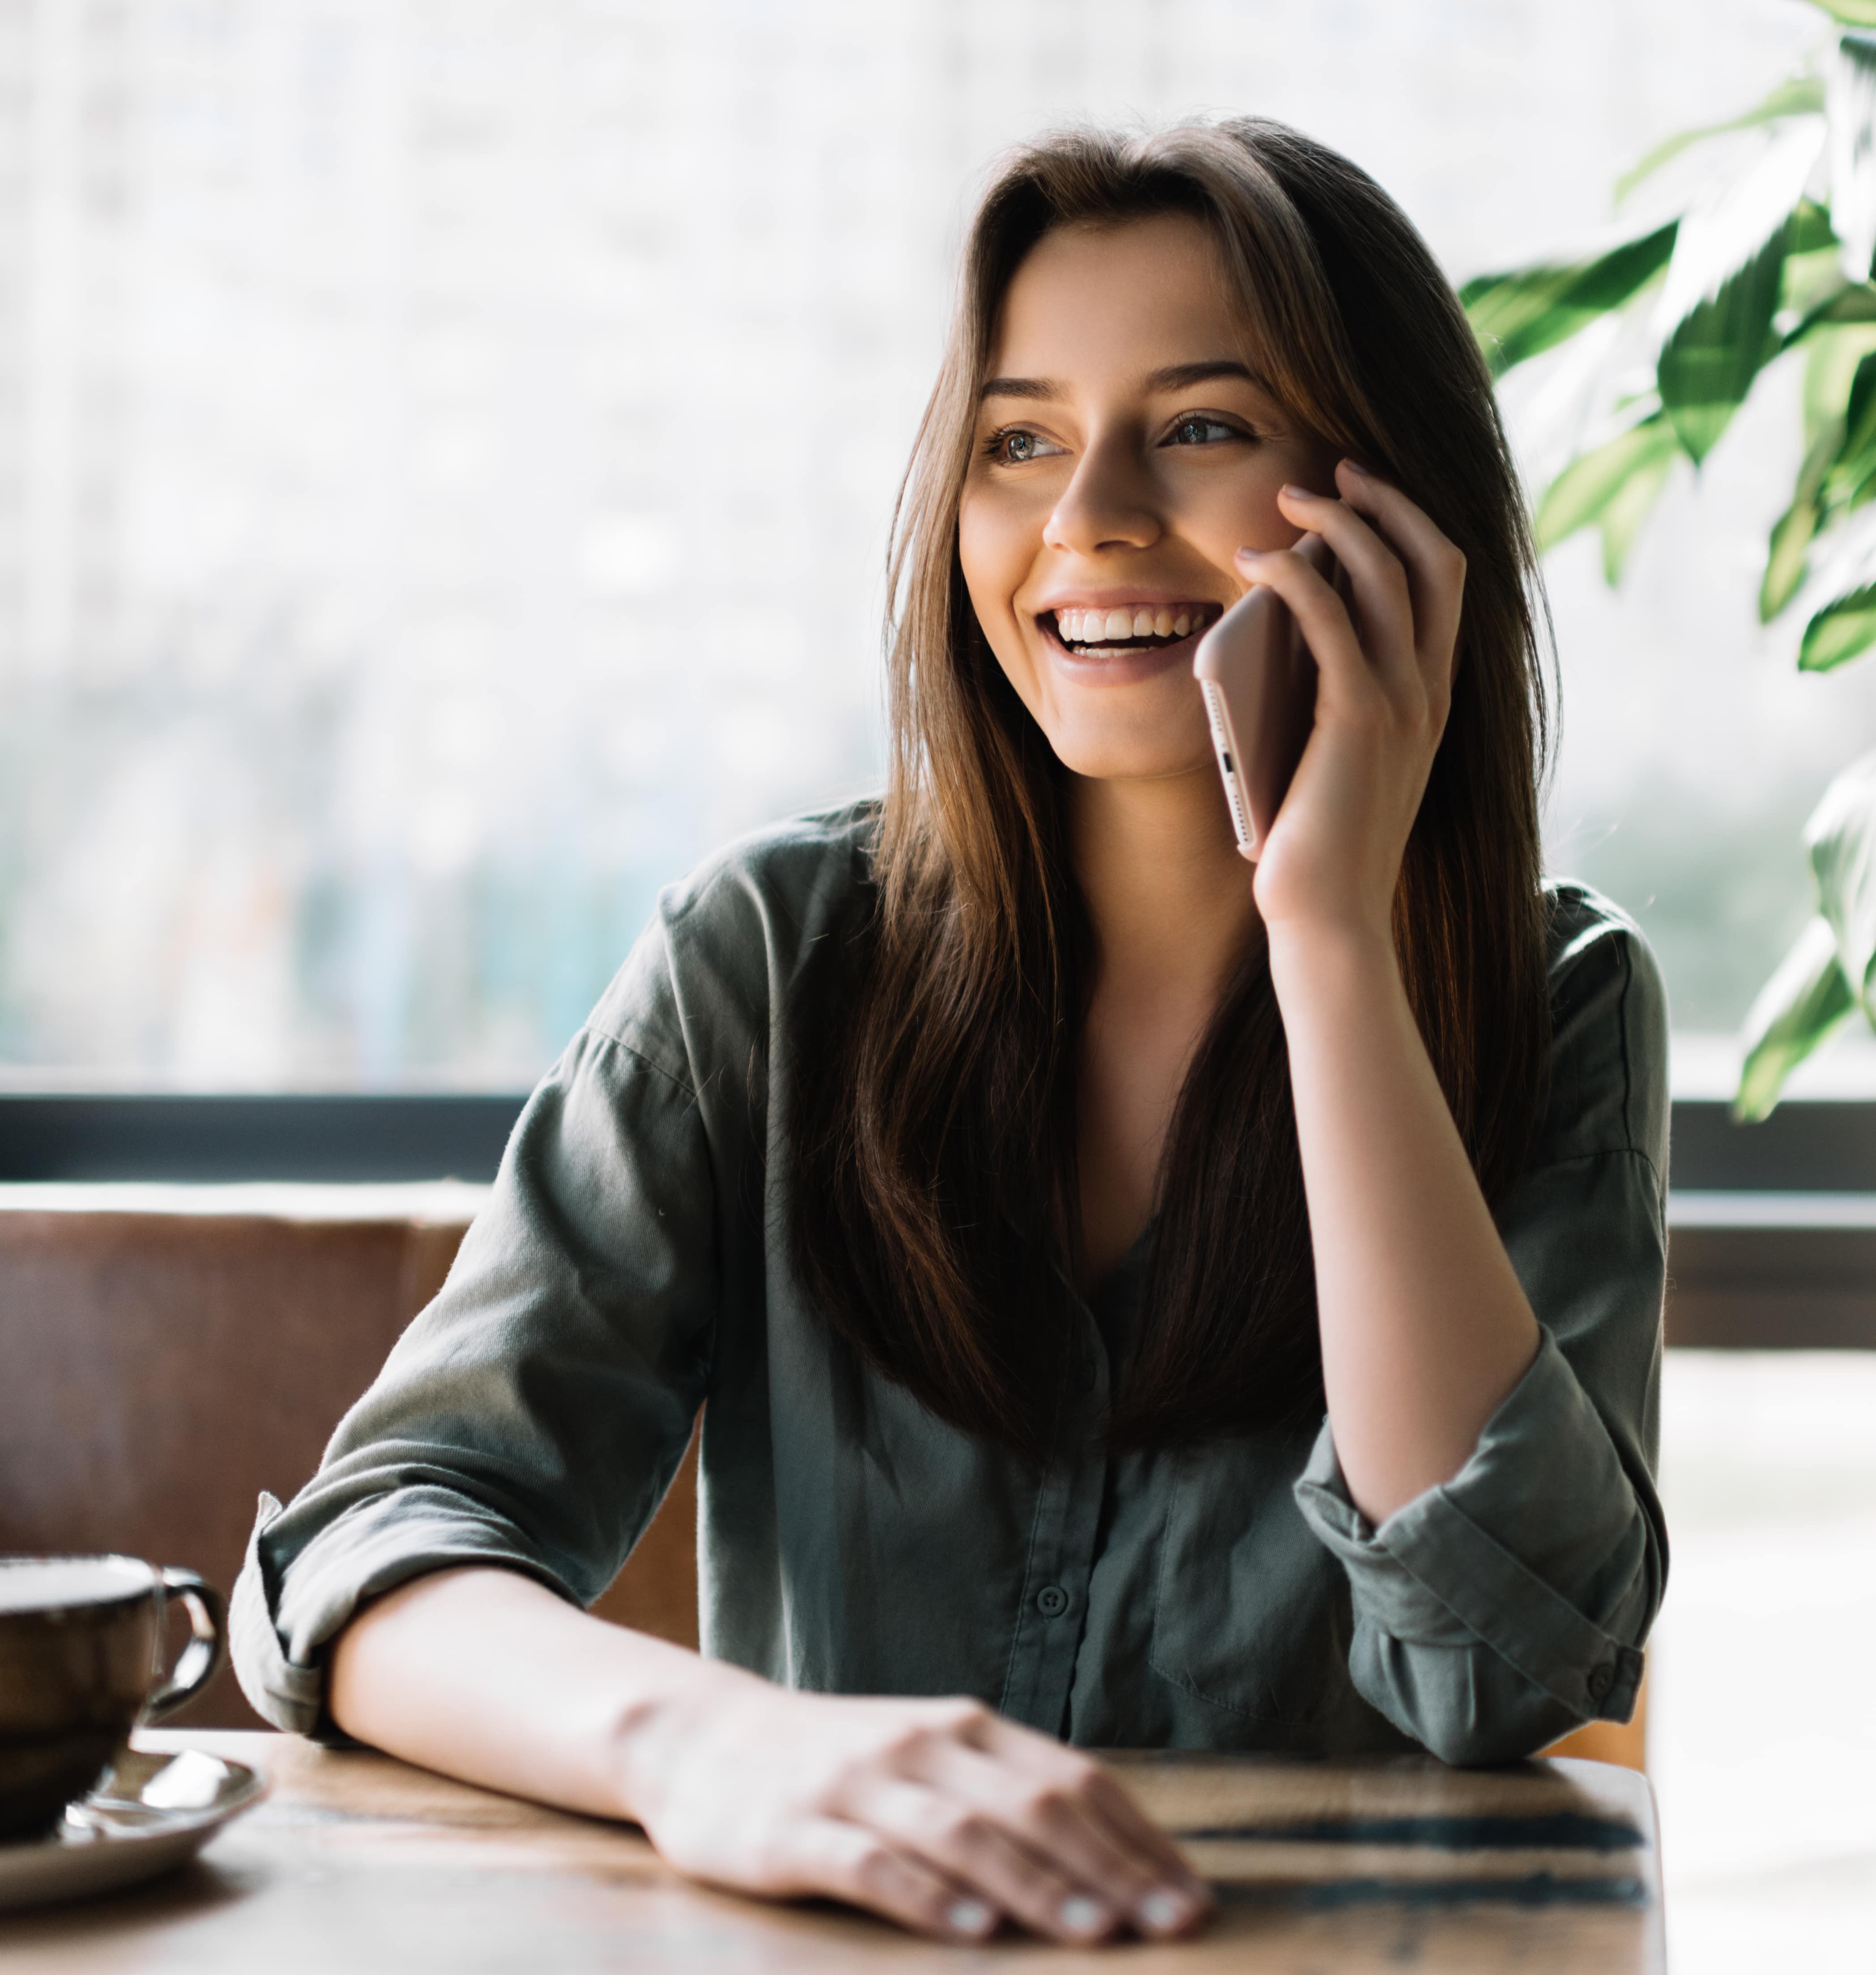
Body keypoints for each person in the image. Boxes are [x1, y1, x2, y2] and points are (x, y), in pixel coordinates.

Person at [233, 116, 1669, 1949]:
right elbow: (370, 1552)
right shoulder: (768, 956)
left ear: (1387, 506)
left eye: (1204, 428)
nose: (1088, 521)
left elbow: (1497, 1665)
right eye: (1020, 441)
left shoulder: (1555, 1005)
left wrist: (1327, 933)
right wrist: (705, 1743)